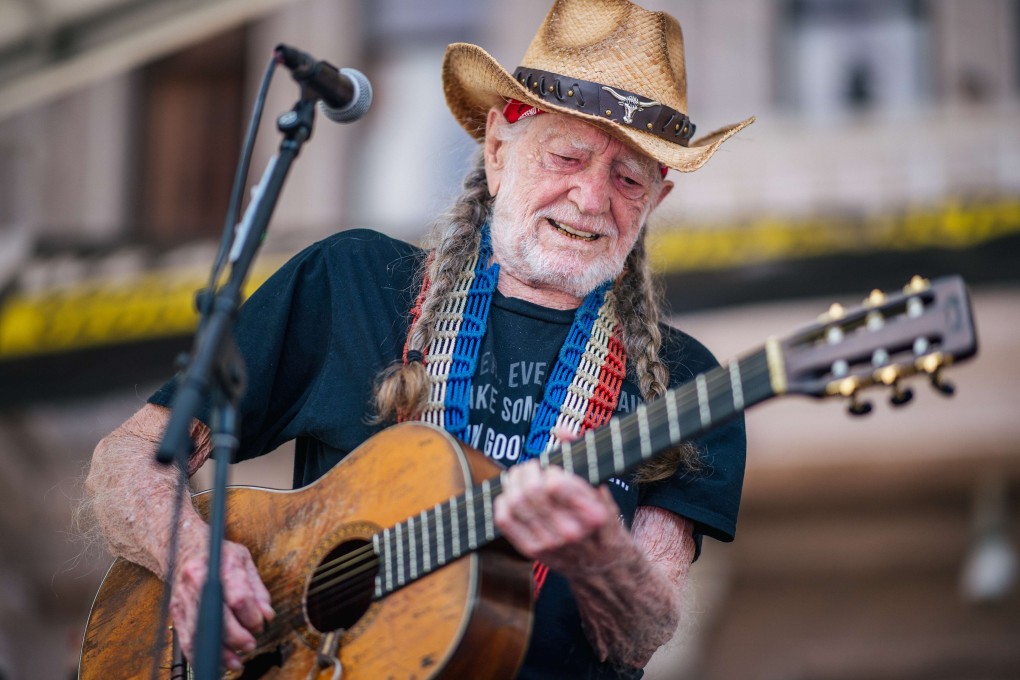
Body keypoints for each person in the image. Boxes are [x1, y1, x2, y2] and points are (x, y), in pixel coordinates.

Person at [86, 0, 753, 677]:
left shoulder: (684, 380)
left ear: (655, 202)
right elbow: (130, 457)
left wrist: (600, 557)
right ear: (498, 149)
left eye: (627, 177)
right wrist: (194, 557)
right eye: (568, 155)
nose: (590, 197)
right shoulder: (350, 279)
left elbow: (642, 635)